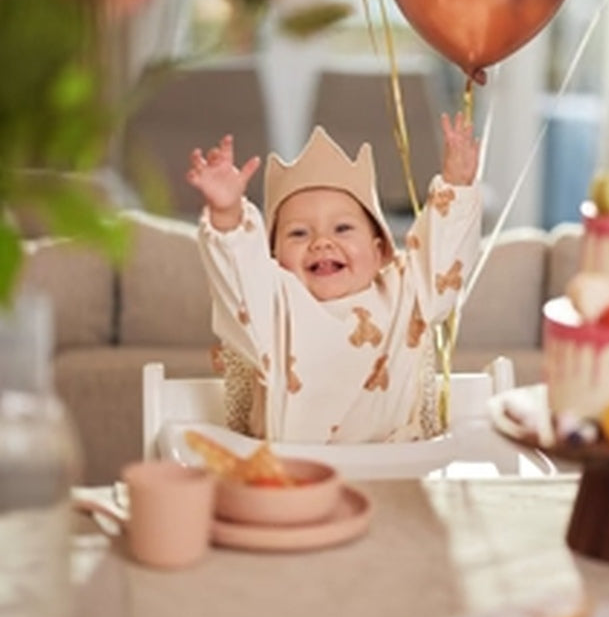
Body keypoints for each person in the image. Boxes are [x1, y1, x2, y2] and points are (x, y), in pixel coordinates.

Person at [187, 113, 482, 444]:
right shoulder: (273, 305)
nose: (322, 242)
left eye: (342, 228)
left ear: (380, 250)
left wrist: (456, 186)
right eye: (298, 233)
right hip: (294, 475)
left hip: (394, 467)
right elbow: (239, 276)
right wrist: (227, 216)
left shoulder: (405, 292)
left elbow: (443, 263)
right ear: (272, 259)